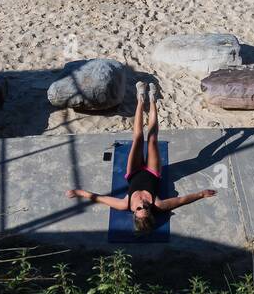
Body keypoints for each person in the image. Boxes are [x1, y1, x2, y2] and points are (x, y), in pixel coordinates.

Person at [65, 81, 217, 234]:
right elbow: (181, 200)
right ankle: (153, 100)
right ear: (150, 211)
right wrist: (201, 194)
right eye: (146, 208)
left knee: (137, 137)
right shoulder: (158, 204)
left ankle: (140, 99)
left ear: (134, 213)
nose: (143, 204)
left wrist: (79, 193)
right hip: (152, 172)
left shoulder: (125, 204)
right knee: (152, 139)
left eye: (139, 208)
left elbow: (99, 198)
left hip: (134, 171)